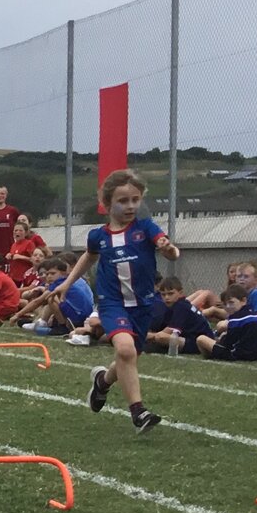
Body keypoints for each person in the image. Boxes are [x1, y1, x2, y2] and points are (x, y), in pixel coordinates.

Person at [49, 168, 180, 435]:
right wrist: (67, 282)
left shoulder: (145, 229)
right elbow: (89, 256)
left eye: (135, 199)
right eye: (123, 201)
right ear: (107, 203)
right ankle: (138, 412)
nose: (131, 206)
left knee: (128, 356)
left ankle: (102, 381)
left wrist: (170, 249)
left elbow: (170, 252)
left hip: (143, 305)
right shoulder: (98, 236)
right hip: (112, 304)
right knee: (125, 350)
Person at [4, 215, 47, 283]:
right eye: (16, 230)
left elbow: (34, 259)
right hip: (13, 275)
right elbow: (13, 257)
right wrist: (9, 255)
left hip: (24, 276)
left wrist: (21, 257)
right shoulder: (13, 245)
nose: (17, 232)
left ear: (26, 233)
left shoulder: (29, 243)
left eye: (20, 231)